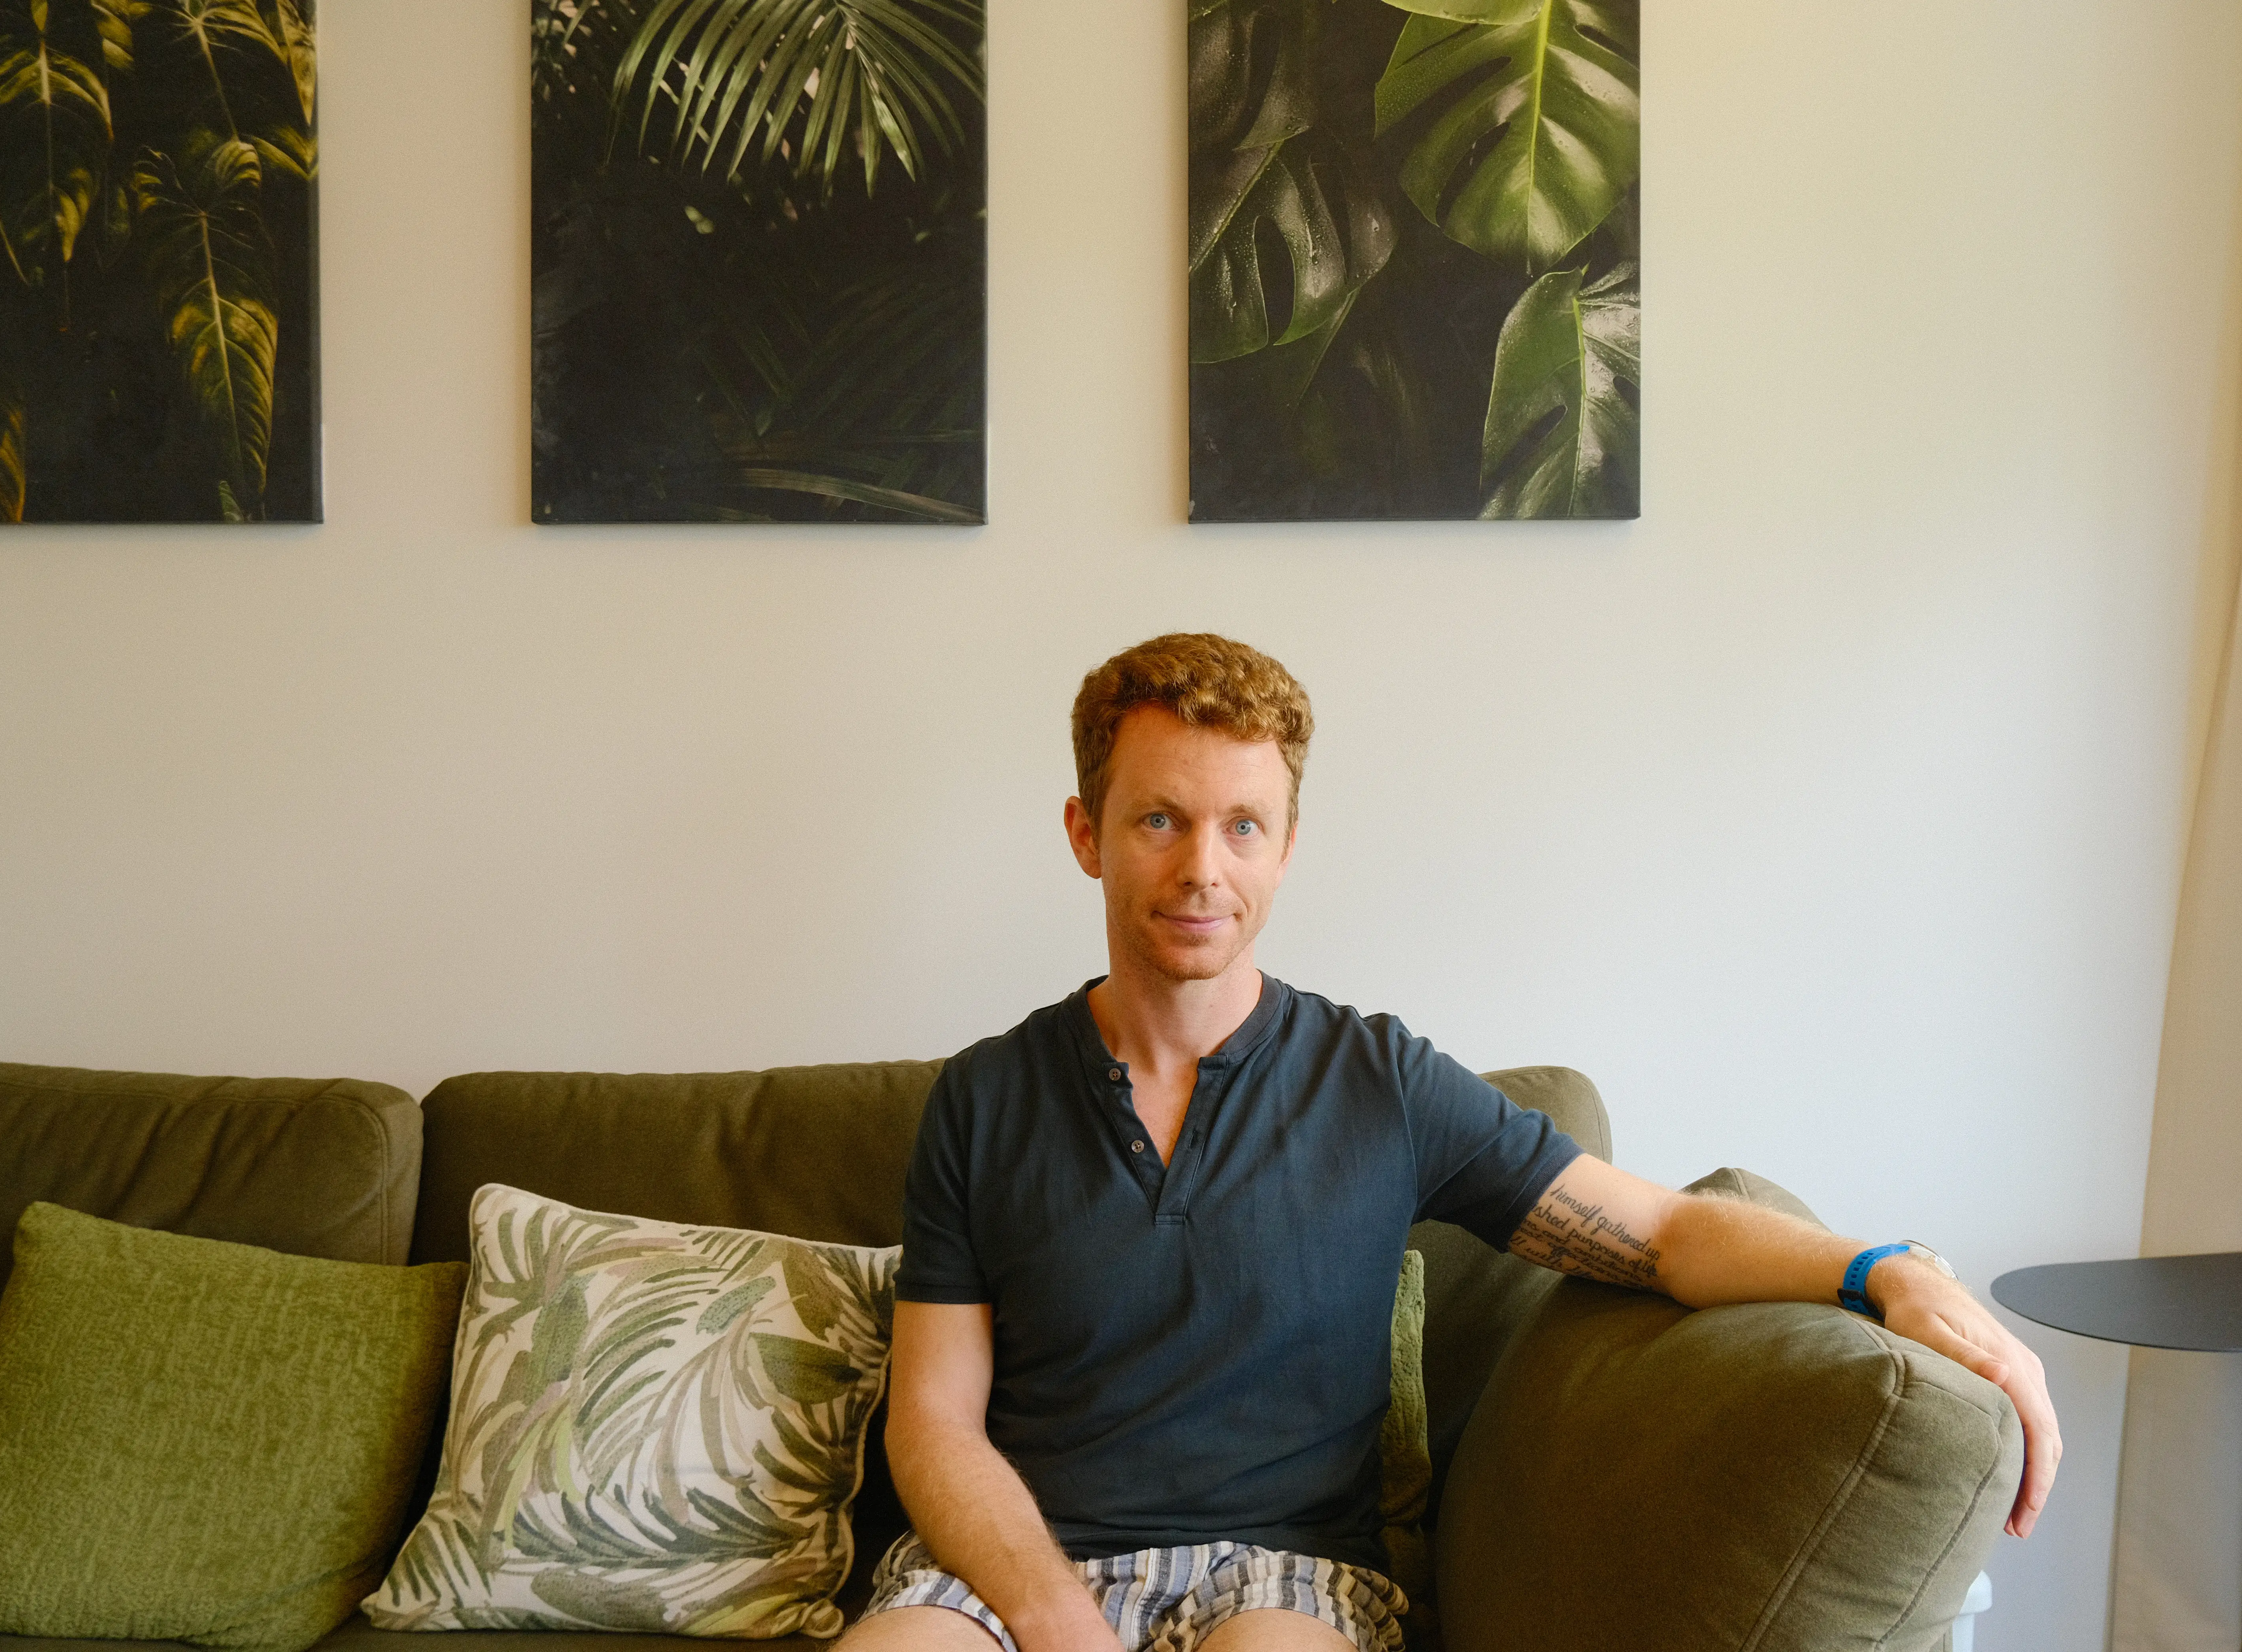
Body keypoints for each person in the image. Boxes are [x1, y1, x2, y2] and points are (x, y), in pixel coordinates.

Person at [840, 634, 2060, 1652]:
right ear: (1085, 831)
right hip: (1018, 1574)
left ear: (1289, 843)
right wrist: (1056, 1618)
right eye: (1159, 819)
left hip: (1278, 1583)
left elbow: (1668, 1234)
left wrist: (1884, 1270)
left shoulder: (1380, 1083)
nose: (1203, 869)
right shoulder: (986, 1098)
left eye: (1244, 827)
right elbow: (935, 1422)